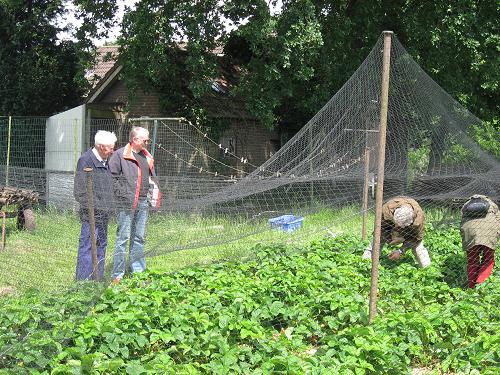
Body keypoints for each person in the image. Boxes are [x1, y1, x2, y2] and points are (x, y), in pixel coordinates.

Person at [108, 126, 161, 283]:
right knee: (123, 238)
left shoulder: (147, 156)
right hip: (126, 203)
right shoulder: (120, 155)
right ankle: (117, 275)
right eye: (146, 139)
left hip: (143, 202)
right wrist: (123, 195)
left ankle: (138, 272)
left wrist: (154, 196)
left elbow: (152, 179)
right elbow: (112, 178)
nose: (147, 142)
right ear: (135, 139)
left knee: (139, 237)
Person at [74, 130, 117, 281]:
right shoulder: (85, 160)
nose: (113, 151)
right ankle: (83, 281)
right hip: (91, 215)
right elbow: (79, 192)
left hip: (104, 214)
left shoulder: (106, 162)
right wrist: (96, 207)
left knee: (101, 245)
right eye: (110, 148)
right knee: (87, 246)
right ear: (100, 146)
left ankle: (97, 278)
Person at [362, 196, 431, 267]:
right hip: (390, 223)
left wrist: (401, 251)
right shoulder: (386, 211)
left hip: (410, 229)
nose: (399, 227)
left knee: (418, 248)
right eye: (397, 224)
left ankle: (427, 268)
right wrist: (389, 238)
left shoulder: (418, 221)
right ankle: (365, 263)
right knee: (377, 241)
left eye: (401, 226)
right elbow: (381, 229)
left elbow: (416, 239)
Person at [460, 194, 500, 288]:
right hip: (489, 232)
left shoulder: (466, 205)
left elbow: (462, 222)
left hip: (470, 233)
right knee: (488, 259)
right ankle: (480, 284)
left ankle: (471, 286)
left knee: (472, 261)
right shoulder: (492, 204)